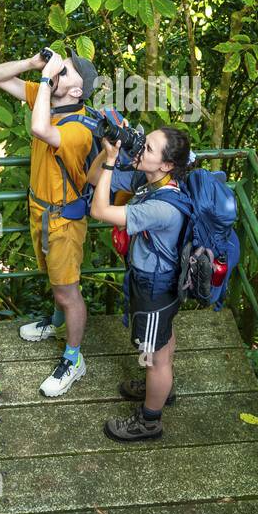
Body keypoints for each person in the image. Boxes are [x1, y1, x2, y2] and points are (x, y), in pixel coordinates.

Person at [0, 47, 104, 396]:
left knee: (67, 291)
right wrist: (32, 64)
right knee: (55, 281)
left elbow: (40, 129)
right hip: (40, 211)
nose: (56, 71)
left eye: (64, 71)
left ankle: (74, 358)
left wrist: (42, 78)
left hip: (63, 221)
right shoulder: (48, 97)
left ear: (76, 91)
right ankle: (56, 325)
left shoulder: (78, 131)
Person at [90, 126, 194, 442]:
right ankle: (161, 387)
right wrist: (108, 152)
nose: (139, 150)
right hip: (159, 282)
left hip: (154, 285)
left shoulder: (161, 206)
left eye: (147, 148)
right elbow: (94, 180)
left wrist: (111, 162)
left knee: (154, 355)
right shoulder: (149, 182)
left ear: (166, 165)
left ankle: (150, 420)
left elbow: (99, 210)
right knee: (162, 340)